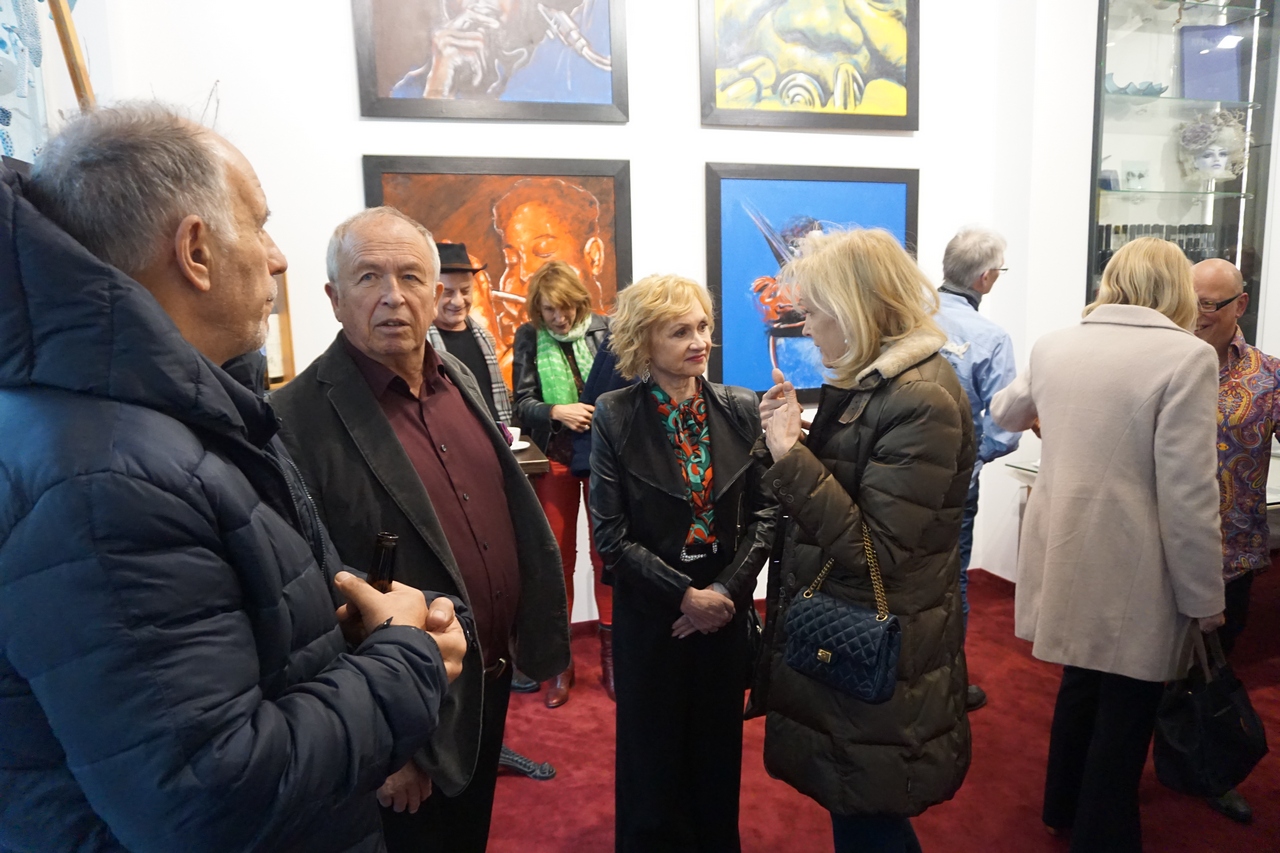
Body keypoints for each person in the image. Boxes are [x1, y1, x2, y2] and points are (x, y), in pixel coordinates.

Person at [0, 103, 467, 853]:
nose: (278, 258)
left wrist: (344, 628)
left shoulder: (165, 416)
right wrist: (406, 656)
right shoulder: (109, 479)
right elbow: (208, 795)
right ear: (195, 250)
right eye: (259, 225)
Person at [271, 207, 570, 853]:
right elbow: (309, 604)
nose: (392, 296)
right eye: (368, 277)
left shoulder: (455, 378)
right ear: (334, 297)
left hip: (483, 685)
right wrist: (386, 745)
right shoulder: (292, 418)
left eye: (410, 277)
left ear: (435, 295)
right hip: (402, 713)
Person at [991, 237, 1226, 852]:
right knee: (1127, 709)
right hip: (1136, 561)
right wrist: (1205, 596)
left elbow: (1005, 413)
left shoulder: (1056, 345)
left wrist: (1059, 415)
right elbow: (1188, 493)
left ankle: (1061, 807)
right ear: (1175, 287)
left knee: (1080, 683)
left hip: (1064, 547)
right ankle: (1103, 837)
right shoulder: (1188, 357)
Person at [755, 228, 973, 853]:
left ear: (853, 311)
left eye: (813, 313)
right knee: (859, 805)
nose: (807, 328)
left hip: (879, 634)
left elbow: (876, 550)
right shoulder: (884, 383)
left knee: (869, 812)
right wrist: (798, 444)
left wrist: (791, 457)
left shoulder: (918, 396)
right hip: (859, 626)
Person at [590, 273, 775, 852]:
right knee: (651, 759)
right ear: (643, 342)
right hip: (654, 612)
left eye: (703, 326)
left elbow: (768, 512)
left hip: (724, 608)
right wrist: (684, 597)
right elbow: (610, 535)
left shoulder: (741, 407)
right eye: (680, 331)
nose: (700, 342)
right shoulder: (615, 413)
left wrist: (723, 593)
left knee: (717, 755)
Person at [1190, 257, 1276, 824]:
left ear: (1240, 305)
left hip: (1234, 554)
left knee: (1218, 671)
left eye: (1209, 304)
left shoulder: (1268, 377)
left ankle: (1209, 774)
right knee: (1151, 674)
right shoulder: (1163, 364)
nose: (1197, 315)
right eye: (1190, 301)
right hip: (1166, 554)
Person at [512, 260, 611, 707]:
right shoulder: (529, 336)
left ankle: (613, 662)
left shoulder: (604, 330)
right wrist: (557, 411)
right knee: (557, 559)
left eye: (566, 307)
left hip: (604, 457)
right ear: (539, 309)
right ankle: (560, 665)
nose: (559, 317)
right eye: (550, 309)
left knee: (607, 554)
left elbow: (625, 389)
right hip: (554, 456)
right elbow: (521, 403)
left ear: (580, 303)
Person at [935, 225, 1021, 712]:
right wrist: (972, 455)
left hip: (891, 475)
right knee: (952, 582)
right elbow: (1006, 427)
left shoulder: (905, 317)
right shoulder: (990, 337)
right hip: (953, 484)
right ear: (986, 278)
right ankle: (947, 687)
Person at [427, 241, 515, 425]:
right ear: (432, 293)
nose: (458, 301)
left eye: (465, 291)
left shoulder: (485, 338)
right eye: (448, 293)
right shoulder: (421, 345)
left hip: (497, 435)